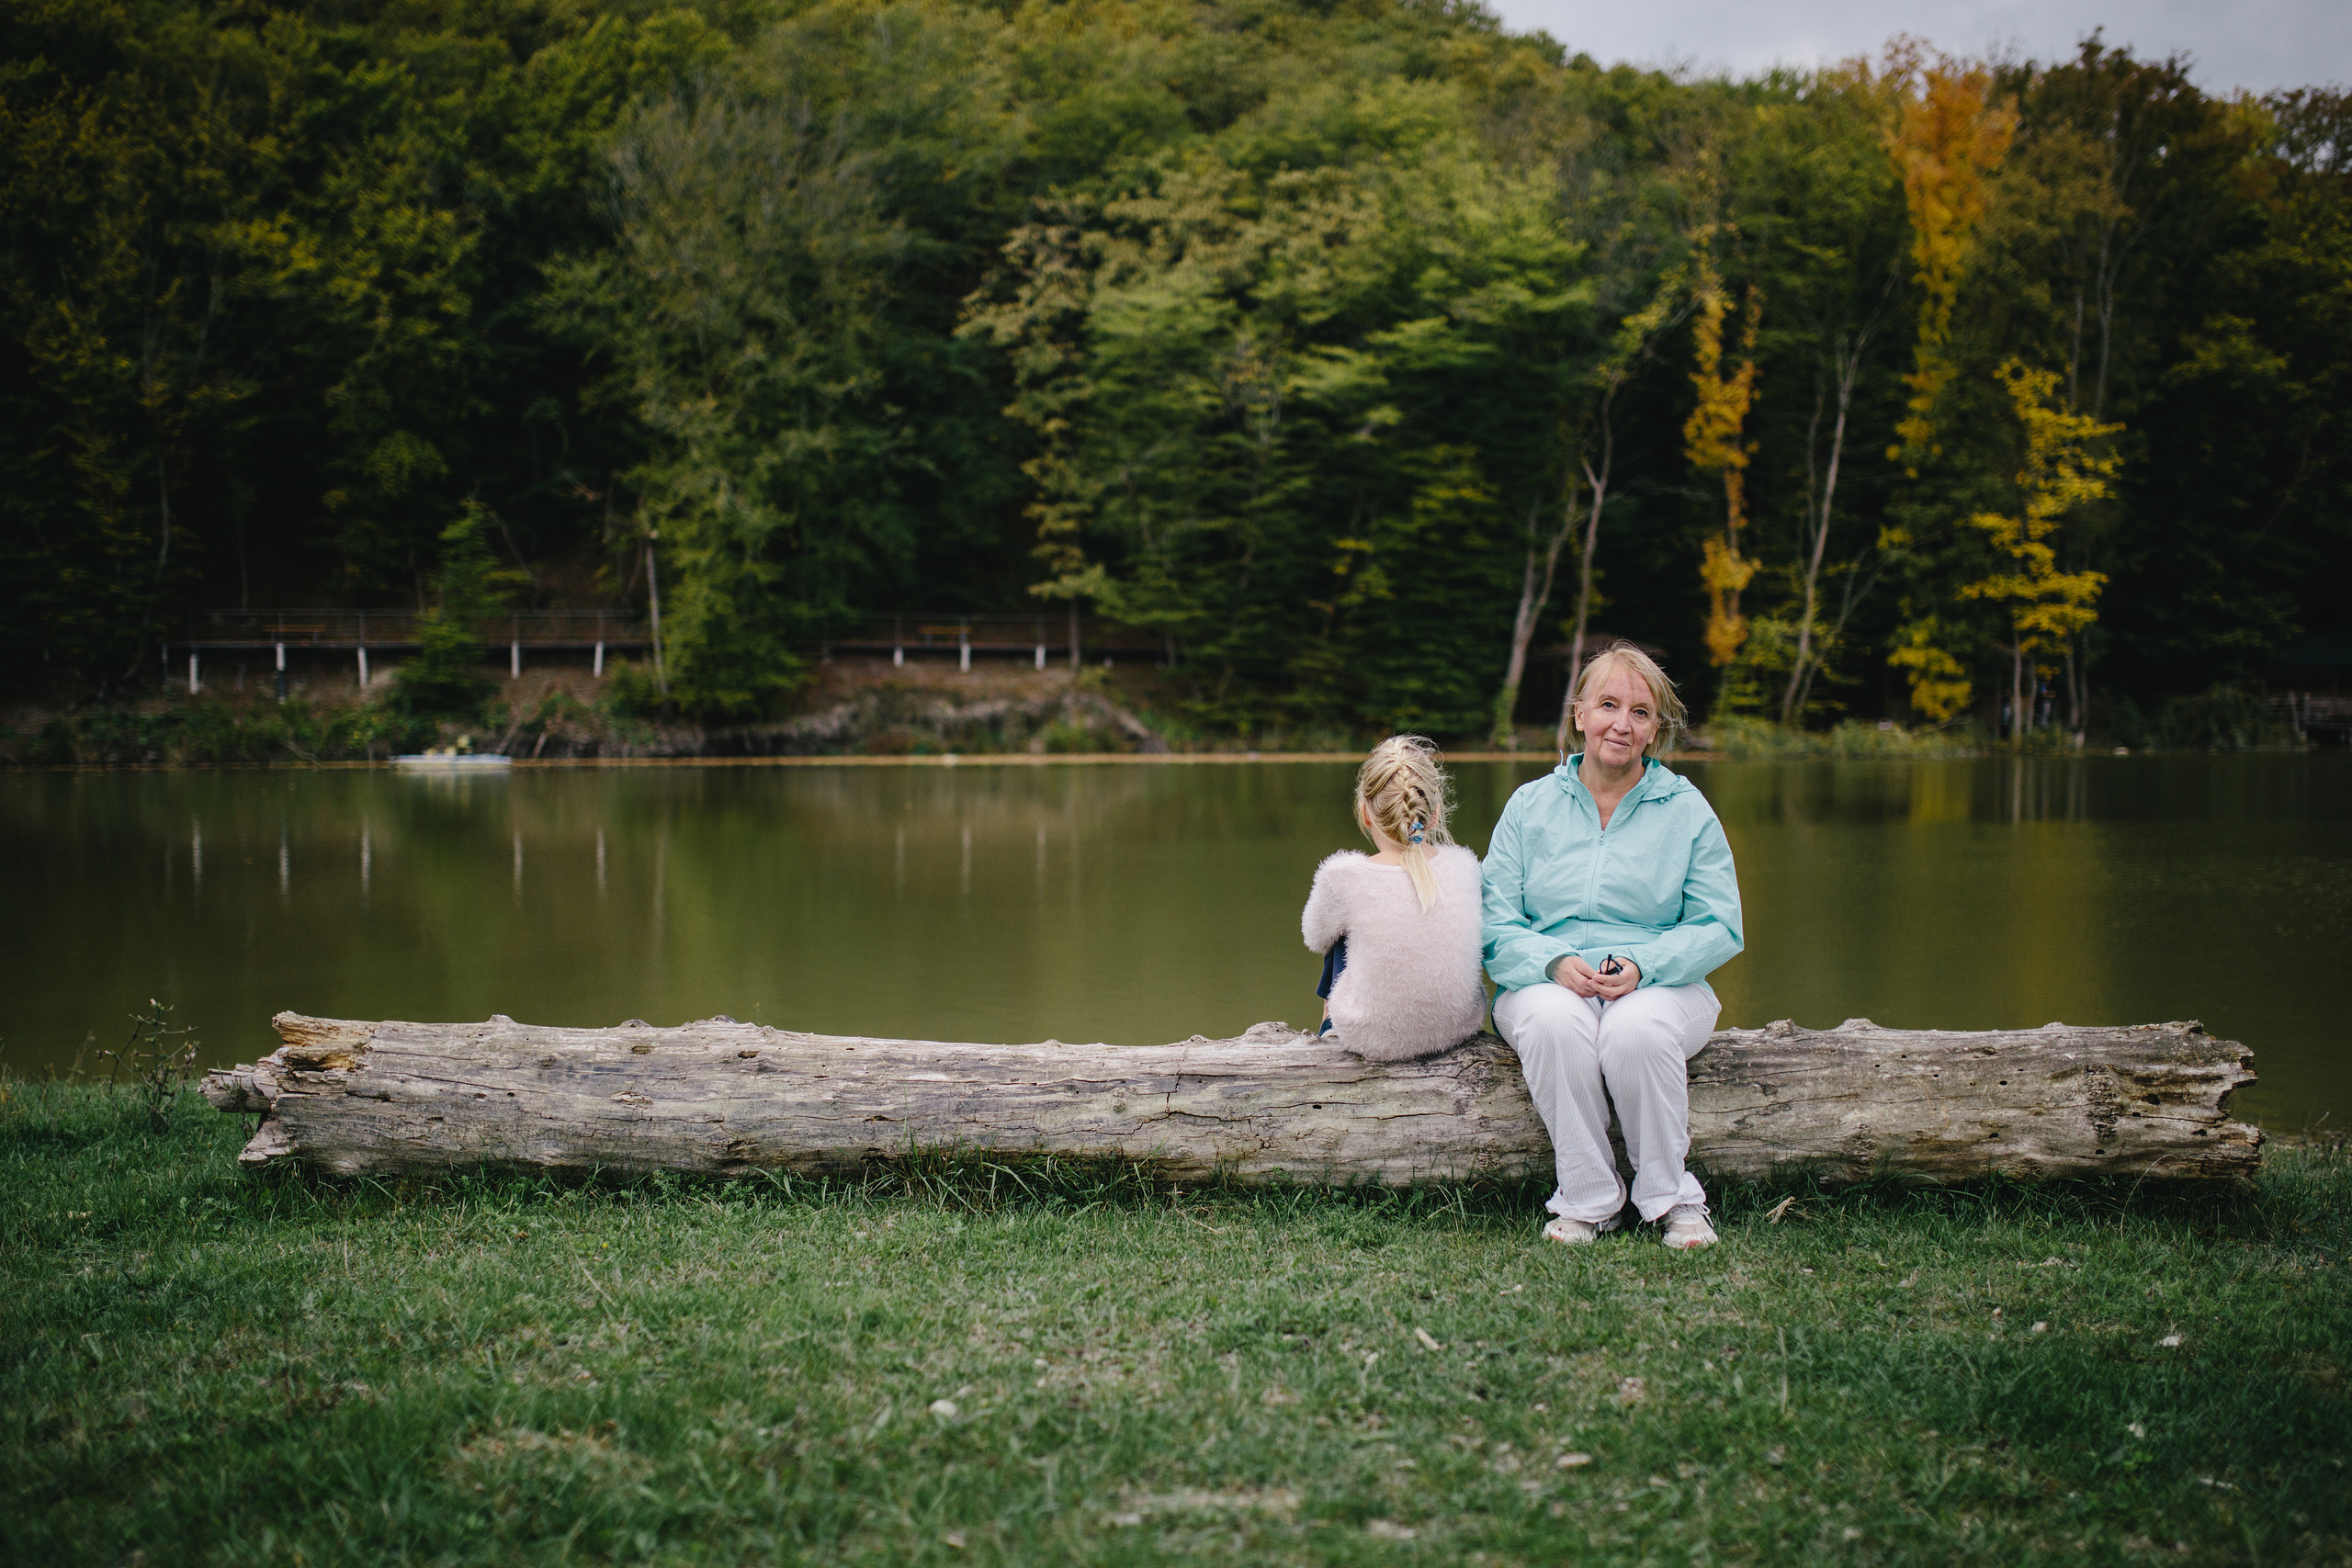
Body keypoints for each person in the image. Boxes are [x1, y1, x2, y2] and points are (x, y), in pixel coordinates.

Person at [1481, 644, 1743, 1249]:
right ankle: (1590, 1199)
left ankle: (1673, 1198)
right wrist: (1551, 961)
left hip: (1663, 983)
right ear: (1579, 714)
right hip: (1544, 978)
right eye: (1607, 704)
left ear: (1655, 729)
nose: (1621, 723)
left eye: (1640, 711)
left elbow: (1719, 923)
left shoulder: (1686, 810)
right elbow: (1492, 920)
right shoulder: (1529, 806)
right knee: (1551, 1021)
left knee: (1637, 1030)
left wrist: (1645, 965)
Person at [1300, 736, 1486, 1062]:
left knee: (1339, 931)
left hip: (1374, 1038)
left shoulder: (1344, 876)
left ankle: (1329, 1031)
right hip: (1455, 1028)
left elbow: (1314, 938)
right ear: (1436, 813)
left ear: (1366, 813)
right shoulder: (1465, 865)